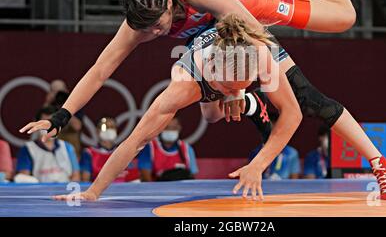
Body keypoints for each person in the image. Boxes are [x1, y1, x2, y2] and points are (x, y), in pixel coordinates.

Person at [18, 0, 386, 200]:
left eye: (159, 24)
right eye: (148, 28)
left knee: (340, 26)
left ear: (170, 1)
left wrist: (238, 88)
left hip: (251, 8)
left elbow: (252, 35)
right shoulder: (142, 21)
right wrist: (62, 114)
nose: (154, 32)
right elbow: (101, 70)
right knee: (213, 110)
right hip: (215, 31)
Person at [21, 14, 302, 200]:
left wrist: (258, 164)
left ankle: (248, 100)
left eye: (243, 84)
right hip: (204, 69)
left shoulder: (260, 54)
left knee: (232, 103)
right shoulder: (183, 84)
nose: (233, 90)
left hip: (234, 55)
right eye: (229, 86)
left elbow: (293, 114)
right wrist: (92, 192)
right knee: (213, 115)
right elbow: (135, 141)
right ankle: (240, 98)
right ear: (213, 72)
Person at [16, 106, 80, 183]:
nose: (48, 127)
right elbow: (24, 177)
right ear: (36, 124)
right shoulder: (28, 148)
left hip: (65, 191)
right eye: (44, 122)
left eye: (51, 123)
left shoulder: (67, 147)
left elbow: (76, 176)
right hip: (39, 192)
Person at [79, 117, 139, 182]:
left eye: (112, 127)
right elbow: (85, 180)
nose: (109, 130)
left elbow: (134, 179)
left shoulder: (124, 152)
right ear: (97, 131)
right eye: (105, 127)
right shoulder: (89, 153)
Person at [138, 117, 198, 181]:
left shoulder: (187, 149)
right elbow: (145, 178)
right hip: (157, 189)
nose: (170, 131)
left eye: (174, 128)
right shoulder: (149, 147)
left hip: (180, 189)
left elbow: (192, 178)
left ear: (179, 128)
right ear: (160, 128)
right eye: (167, 128)